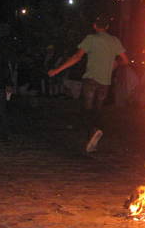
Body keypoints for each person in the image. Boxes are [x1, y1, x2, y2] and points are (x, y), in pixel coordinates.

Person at [48, 16, 128, 152]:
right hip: (105, 83)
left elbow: (77, 56)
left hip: (91, 80)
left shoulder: (91, 39)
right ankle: (95, 135)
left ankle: (93, 131)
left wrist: (58, 69)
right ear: (107, 27)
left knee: (86, 110)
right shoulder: (115, 41)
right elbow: (126, 61)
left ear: (95, 26)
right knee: (97, 110)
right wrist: (117, 62)